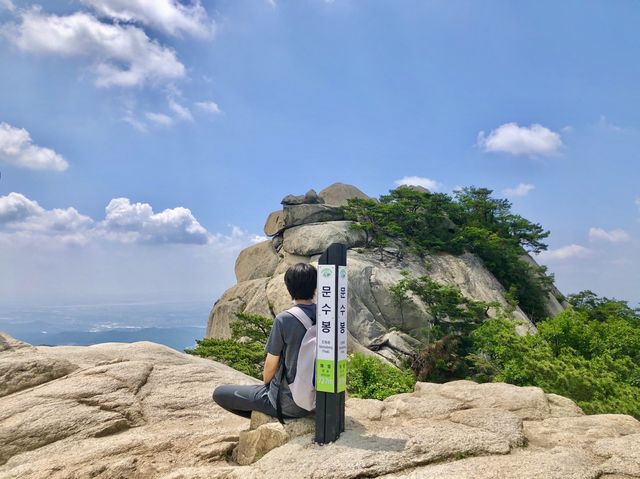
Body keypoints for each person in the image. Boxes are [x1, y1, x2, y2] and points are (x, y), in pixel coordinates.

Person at [212, 262, 317, 420]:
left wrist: (267, 385)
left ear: (289, 287)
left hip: (290, 404)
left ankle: (265, 416)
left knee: (219, 393)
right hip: (318, 400)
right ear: (314, 286)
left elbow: (270, 367)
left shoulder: (285, 319)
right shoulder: (327, 316)